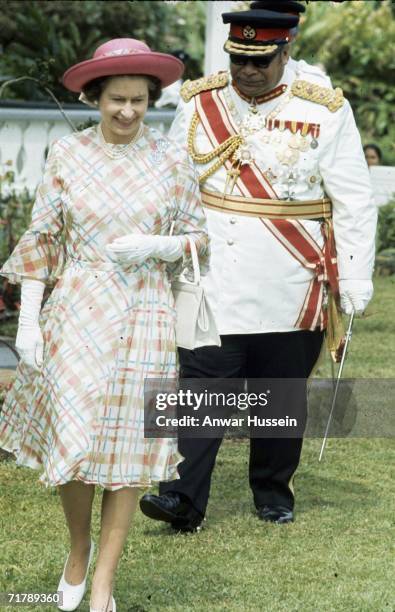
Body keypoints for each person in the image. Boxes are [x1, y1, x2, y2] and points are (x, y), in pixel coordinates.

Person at [139, 5, 377, 532]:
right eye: (240, 59)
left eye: (261, 60)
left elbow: (355, 199)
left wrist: (355, 279)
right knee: (202, 387)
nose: (248, 71)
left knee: (279, 391)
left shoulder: (325, 109)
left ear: (285, 51)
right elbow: (173, 181)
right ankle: (182, 497)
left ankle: (272, 490)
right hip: (211, 278)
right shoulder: (201, 102)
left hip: (290, 278)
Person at [0, 38, 209, 612]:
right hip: (77, 308)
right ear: (95, 97)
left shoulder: (172, 159)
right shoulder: (68, 155)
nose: (127, 112)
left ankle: (103, 585)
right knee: (74, 436)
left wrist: (161, 244)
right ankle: (77, 549)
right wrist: (29, 322)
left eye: (139, 101)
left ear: (151, 99)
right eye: (117, 99)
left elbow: (200, 239)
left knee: (129, 450)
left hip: (146, 311)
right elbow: (43, 236)